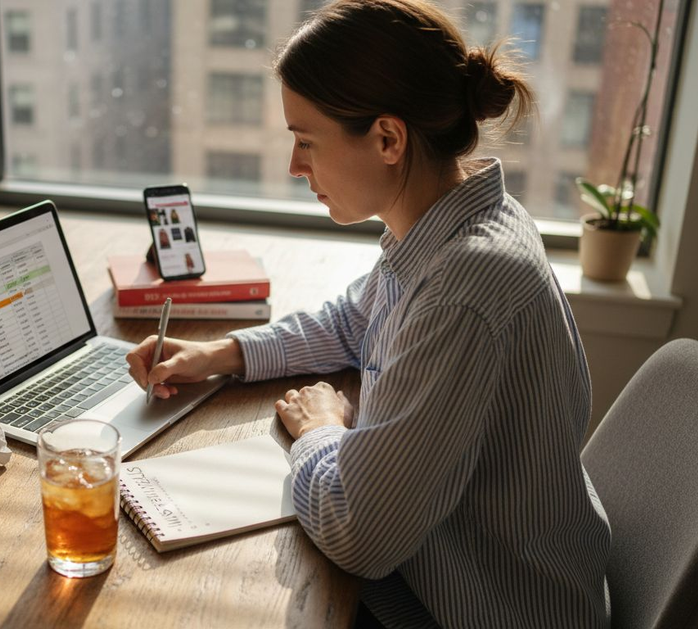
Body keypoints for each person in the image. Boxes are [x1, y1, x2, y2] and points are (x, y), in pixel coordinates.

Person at [126, 1, 610, 626]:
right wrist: (221, 354)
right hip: (455, 568)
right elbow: (352, 321)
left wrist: (321, 429)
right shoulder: (453, 222)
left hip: (484, 605)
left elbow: (359, 535)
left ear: (387, 138)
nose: (295, 166)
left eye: (305, 141)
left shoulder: (461, 286)